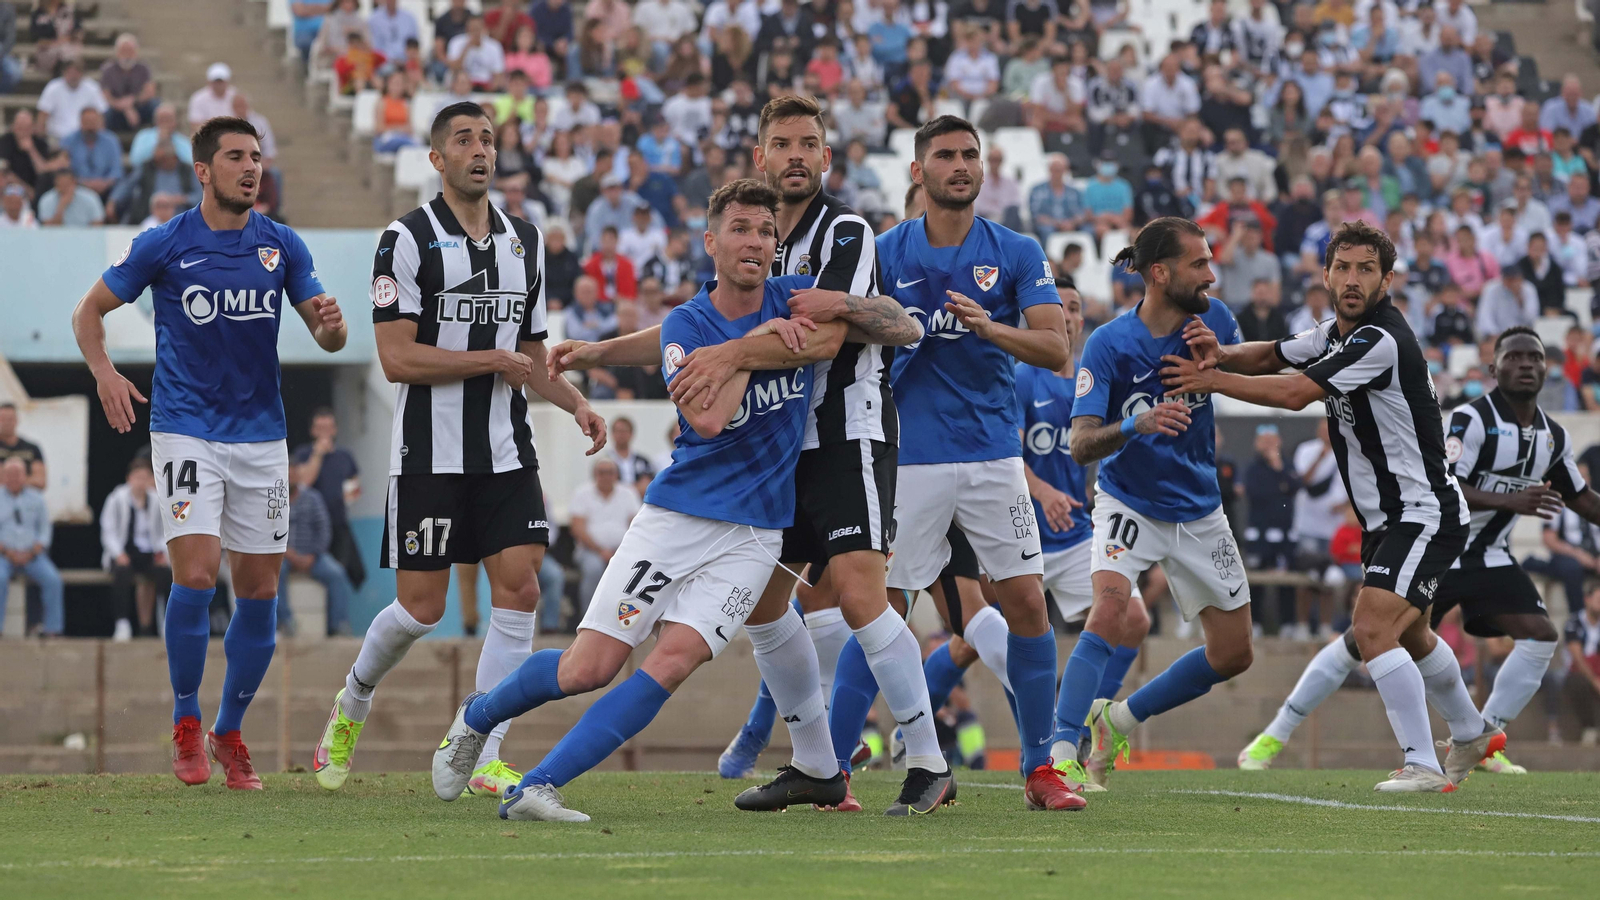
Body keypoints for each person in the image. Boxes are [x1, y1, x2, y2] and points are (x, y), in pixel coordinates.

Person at [434, 178, 894, 822]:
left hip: (757, 535)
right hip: (676, 519)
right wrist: (765, 344)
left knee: (675, 661)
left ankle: (536, 785)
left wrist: (761, 340)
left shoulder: (797, 300)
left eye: (766, 231)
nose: (756, 242)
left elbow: (874, 332)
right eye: (740, 229)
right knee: (588, 666)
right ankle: (477, 715)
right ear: (710, 242)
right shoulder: (688, 322)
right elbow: (708, 420)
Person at [547, 97, 942, 814]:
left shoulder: (844, 231)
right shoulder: (758, 236)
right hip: (782, 448)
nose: (797, 155)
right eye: (783, 143)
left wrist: (727, 354)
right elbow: (695, 325)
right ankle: (818, 766)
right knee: (763, 606)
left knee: (859, 594)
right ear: (759, 157)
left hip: (846, 429)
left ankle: (927, 761)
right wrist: (603, 350)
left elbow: (826, 339)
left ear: (827, 157)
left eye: (809, 144)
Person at [311, 102, 605, 801]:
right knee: (418, 608)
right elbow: (395, 358)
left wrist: (577, 403)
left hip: (506, 450)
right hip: (430, 454)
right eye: (464, 140)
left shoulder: (525, 240)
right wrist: (486, 361)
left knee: (522, 589)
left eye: (489, 140)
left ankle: (483, 746)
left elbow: (531, 355)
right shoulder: (405, 239)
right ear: (437, 159)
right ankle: (352, 702)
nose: (480, 150)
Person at [1160, 221, 1488, 791]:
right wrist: (1225, 352)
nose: (1353, 279)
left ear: (1388, 279)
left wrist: (1209, 379)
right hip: (1389, 519)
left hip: (1423, 513)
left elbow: (1294, 392)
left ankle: (1423, 763)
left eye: (1367, 269)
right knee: (1410, 635)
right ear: (1327, 274)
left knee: (1370, 626)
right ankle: (1471, 732)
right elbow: (1273, 356)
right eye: (1343, 268)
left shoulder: (1378, 340)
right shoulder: (1337, 332)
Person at [71, 116, 346, 790]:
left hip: (262, 437)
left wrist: (332, 328)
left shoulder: (281, 244)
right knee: (195, 574)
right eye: (235, 157)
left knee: (258, 594)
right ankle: (187, 721)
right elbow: (88, 313)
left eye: (256, 156)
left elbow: (326, 336)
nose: (251, 168)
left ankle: (229, 732)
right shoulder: (165, 243)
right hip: (185, 426)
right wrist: (105, 372)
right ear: (203, 170)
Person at [1240, 327, 1598, 778]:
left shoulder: (1553, 437)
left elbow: (1582, 498)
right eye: (1515, 357)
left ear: (1549, 369)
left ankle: (1486, 735)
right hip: (1440, 546)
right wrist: (1511, 500)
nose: (1526, 365)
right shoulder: (1471, 419)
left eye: (1535, 358)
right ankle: (1276, 732)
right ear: (1493, 368)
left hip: (1490, 554)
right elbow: (1447, 485)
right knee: (1364, 639)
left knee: (1540, 633)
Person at [869, 115, 1077, 809]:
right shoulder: (881, 252)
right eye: (945, 155)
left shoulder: (1015, 250)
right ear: (917, 171)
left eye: (970, 155)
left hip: (993, 456)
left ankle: (1040, 770)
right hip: (912, 457)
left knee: (1023, 603)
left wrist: (991, 328)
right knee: (880, 607)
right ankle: (843, 763)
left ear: (984, 170)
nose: (960, 165)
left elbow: (1055, 351)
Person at [1060, 217, 1253, 791]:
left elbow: (1250, 367)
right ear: (1160, 273)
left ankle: (1116, 719)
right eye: (1200, 265)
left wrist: (1222, 361)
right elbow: (1079, 444)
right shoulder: (1109, 343)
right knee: (1112, 610)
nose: (1212, 275)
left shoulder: (1214, 320)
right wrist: (1135, 423)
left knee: (1234, 653)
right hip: (1129, 502)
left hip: (1199, 508)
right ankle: (1061, 753)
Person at [292, 407, 364, 592]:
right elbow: (303, 483)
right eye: (320, 428)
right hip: (311, 529)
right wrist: (318, 454)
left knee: (341, 572)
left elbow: (354, 487)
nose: (324, 432)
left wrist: (347, 497)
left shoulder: (344, 456)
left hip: (338, 524)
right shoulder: (303, 454)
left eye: (328, 427)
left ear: (335, 430)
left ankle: (338, 620)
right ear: (313, 431)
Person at [278, 465, 354, 637]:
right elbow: (268, 530)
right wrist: (288, 554)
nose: (290, 478)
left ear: (298, 476)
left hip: (313, 556)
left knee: (337, 574)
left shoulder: (313, 498)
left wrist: (313, 555)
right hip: (283, 556)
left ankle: (339, 625)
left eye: (292, 474)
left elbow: (324, 529)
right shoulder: (274, 499)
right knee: (272, 574)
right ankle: (284, 622)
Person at [101, 456, 170, 640]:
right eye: (137, 477)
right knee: (122, 573)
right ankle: (122, 623)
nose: (140, 482)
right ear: (129, 479)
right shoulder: (116, 499)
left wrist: (162, 552)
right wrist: (118, 553)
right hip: (125, 551)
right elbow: (108, 530)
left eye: (145, 477)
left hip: (149, 551)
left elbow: (165, 531)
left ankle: (166, 622)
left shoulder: (157, 500)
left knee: (165, 573)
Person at [0, 457, 62, 637]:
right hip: (4, 555)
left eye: (17, 474)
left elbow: (45, 530)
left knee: (53, 579)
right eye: (9, 474)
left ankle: (53, 629)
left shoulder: (37, 499)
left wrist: (34, 550)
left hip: (32, 555)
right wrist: (6, 551)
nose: (13, 478)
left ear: (25, 476)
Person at [568, 457, 640, 609]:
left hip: (622, 550)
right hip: (590, 551)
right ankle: (588, 618)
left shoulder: (629, 493)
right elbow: (577, 528)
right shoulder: (582, 493)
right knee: (593, 570)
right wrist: (601, 551)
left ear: (616, 475)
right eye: (602, 472)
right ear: (594, 474)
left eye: (610, 472)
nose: (606, 476)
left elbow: (637, 525)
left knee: (632, 573)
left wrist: (620, 551)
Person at [1565, 585, 1600, 746]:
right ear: (1587, 599)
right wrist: (1594, 680)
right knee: (1577, 682)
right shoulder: (1574, 622)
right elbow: (1577, 658)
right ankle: (1590, 728)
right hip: (1580, 672)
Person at [0, 402, 46, 489]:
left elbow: (40, 481)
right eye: (3, 419)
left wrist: (10, 481)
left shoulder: (32, 448)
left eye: (10, 419)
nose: (6, 423)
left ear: (16, 420)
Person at [606, 416, 655, 493]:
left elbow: (648, 485)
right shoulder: (605, 461)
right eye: (618, 431)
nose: (621, 435)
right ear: (612, 434)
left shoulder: (643, 461)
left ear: (632, 433)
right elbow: (605, 485)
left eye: (624, 431)